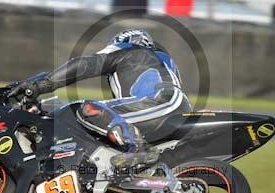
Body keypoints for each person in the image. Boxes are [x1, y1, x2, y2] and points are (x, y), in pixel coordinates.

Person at [10, 29, 191, 168]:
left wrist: (41, 85)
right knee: (105, 126)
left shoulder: (132, 49)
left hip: (161, 102)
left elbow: (84, 65)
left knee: (88, 109)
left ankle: (139, 148)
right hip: (171, 109)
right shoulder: (162, 64)